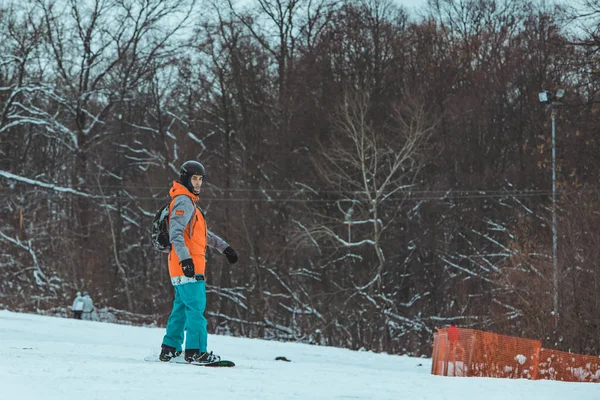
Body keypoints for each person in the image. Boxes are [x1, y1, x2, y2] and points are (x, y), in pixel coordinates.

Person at [159, 160, 238, 364]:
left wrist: (224, 247)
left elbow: (201, 235)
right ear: (186, 178)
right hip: (188, 266)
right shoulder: (184, 201)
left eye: (200, 179)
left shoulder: (187, 201)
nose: (198, 183)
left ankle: (169, 349)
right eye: (194, 178)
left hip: (179, 266)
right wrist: (186, 261)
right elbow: (176, 234)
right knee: (195, 309)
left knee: (181, 309)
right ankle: (196, 351)